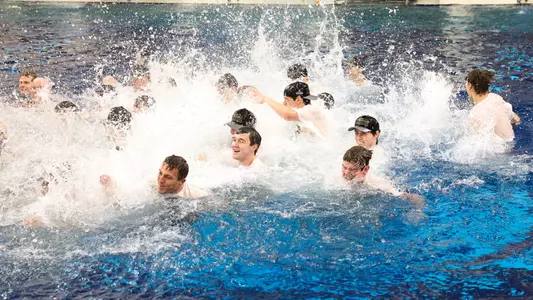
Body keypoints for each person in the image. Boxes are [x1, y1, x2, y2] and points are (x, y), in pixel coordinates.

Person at [342, 146, 423, 208]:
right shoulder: (335, 180)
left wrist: (418, 211)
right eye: (344, 167)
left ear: (365, 170)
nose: (346, 173)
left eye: (352, 170)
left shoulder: (377, 185)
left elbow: (415, 197)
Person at [100, 155, 207, 198]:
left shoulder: (195, 195)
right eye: (160, 173)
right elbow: (129, 191)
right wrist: (111, 184)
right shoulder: (152, 182)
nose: (161, 180)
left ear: (181, 182)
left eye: (168, 177)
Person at [252, 82, 328, 139]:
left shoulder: (312, 111)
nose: (284, 103)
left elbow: (287, 115)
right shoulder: (303, 113)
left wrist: (265, 98)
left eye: (287, 100)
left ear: (298, 100)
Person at [466, 69, 520, 141]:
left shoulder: (474, 114)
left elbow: (474, 142)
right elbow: (517, 119)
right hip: (511, 140)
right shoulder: (495, 97)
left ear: (469, 85)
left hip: (498, 149)